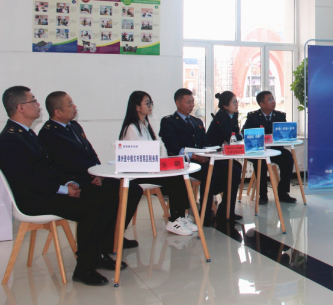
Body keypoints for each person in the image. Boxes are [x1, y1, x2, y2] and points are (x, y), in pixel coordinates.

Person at [0, 86, 125, 286]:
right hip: (32, 200)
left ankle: (97, 252)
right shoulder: (9, 138)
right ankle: (84, 268)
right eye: (33, 100)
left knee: (104, 196)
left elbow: (50, 166)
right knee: (90, 208)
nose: (38, 104)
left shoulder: (27, 133)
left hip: (45, 191)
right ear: (20, 107)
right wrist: (63, 190)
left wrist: (68, 183)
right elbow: (26, 180)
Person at [38, 91, 142, 249]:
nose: (75, 106)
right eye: (70, 104)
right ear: (58, 112)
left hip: (91, 176)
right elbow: (64, 164)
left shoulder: (74, 126)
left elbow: (90, 152)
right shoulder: (48, 133)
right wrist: (90, 175)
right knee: (107, 197)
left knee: (133, 190)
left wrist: (98, 173)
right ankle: (102, 242)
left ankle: (114, 235)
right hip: (76, 182)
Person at [118, 91, 197, 235]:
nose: (150, 106)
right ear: (137, 107)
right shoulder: (131, 128)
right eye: (147, 103)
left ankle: (181, 217)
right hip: (138, 175)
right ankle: (174, 220)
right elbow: (137, 158)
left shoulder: (144, 125)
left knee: (179, 174)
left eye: (151, 103)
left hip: (149, 170)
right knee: (175, 179)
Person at [159, 88, 242, 226]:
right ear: (177, 103)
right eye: (188, 102)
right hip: (185, 162)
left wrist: (209, 152)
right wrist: (195, 156)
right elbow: (172, 147)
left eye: (192, 102)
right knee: (211, 173)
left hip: (202, 159)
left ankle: (226, 211)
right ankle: (205, 213)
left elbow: (205, 143)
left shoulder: (197, 121)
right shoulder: (169, 121)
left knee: (234, 170)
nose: (191, 105)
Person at [242, 91, 297, 204]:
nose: (273, 102)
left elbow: (285, 133)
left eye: (273, 99)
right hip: (258, 151)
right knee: (260, 162)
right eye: (270, 100)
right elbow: (244, 133)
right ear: (261, 104)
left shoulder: (280, 116)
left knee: (288, 157)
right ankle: (263, 195)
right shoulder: (253, 116)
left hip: (275, 150)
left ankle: (283, 193)